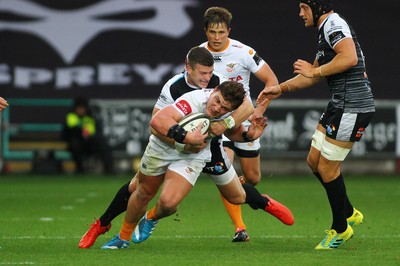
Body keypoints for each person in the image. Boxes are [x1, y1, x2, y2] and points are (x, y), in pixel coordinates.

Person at [78, 47, 292, 248]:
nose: (207, 78)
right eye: (203, 73)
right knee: (140, 189)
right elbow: (156, 125)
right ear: (188, 68)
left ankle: (263, 202)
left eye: (210, 73)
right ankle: (108, 227)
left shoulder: (221, 87)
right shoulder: (178, 90)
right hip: (170, 145)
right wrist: (186, 140)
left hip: (206, 148)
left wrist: (236, 130)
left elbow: (245, 107)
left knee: (234, 196)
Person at [257, 0, 375, 249]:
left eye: (303, 7)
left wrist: (314, 72)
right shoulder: (326, 29)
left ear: (318, 7)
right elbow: (311, 75)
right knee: (313, 161)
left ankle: (340, 228)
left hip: (352, 106)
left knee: (328, 168)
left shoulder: (333, 23)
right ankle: (349, 211)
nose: (300, 13)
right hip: (339, 104)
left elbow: (349, 58)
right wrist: (278, 88)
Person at [199, 7, 279, 241]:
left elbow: (272, 80)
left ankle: (245, 191)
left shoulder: (244, 52)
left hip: (243, 121)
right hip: (217, 123)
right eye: (212, 32)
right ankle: (240, 228)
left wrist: (259, 110)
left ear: (228, 31)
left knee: (253, 178)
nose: (216, 37)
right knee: (225, 170)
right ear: (205, 30)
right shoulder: (198, 54)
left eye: (221, 32)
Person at [63, 98, 113, 174]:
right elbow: (69, 132)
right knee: (75, 144)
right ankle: (79, 169)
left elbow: (95, 132)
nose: (80, 110)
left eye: (82, 108)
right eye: (79, 108)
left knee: (103, 144)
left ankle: (109, 169)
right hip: (77, 142)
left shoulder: (90, 118)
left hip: (89, 142)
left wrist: (88, 135)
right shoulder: (71, 117)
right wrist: (81, 133)